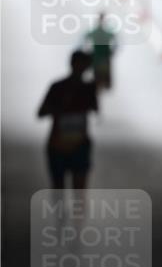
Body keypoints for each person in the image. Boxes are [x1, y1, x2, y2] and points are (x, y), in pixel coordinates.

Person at [37, 51, 98, 189]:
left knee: (75, 190)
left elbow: (95, 108)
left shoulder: (88, 89)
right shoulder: (59, 87)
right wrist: (60, 108)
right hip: (60, 145)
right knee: (61, 189)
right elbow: (41, 112)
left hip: (76, 145)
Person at [85, 12, 117, 90]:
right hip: (98, 57)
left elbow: (116, 42)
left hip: (103, 57)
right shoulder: (98, 32)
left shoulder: (105, 32)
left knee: (103, 76)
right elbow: (86, 39)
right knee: (99, 76)